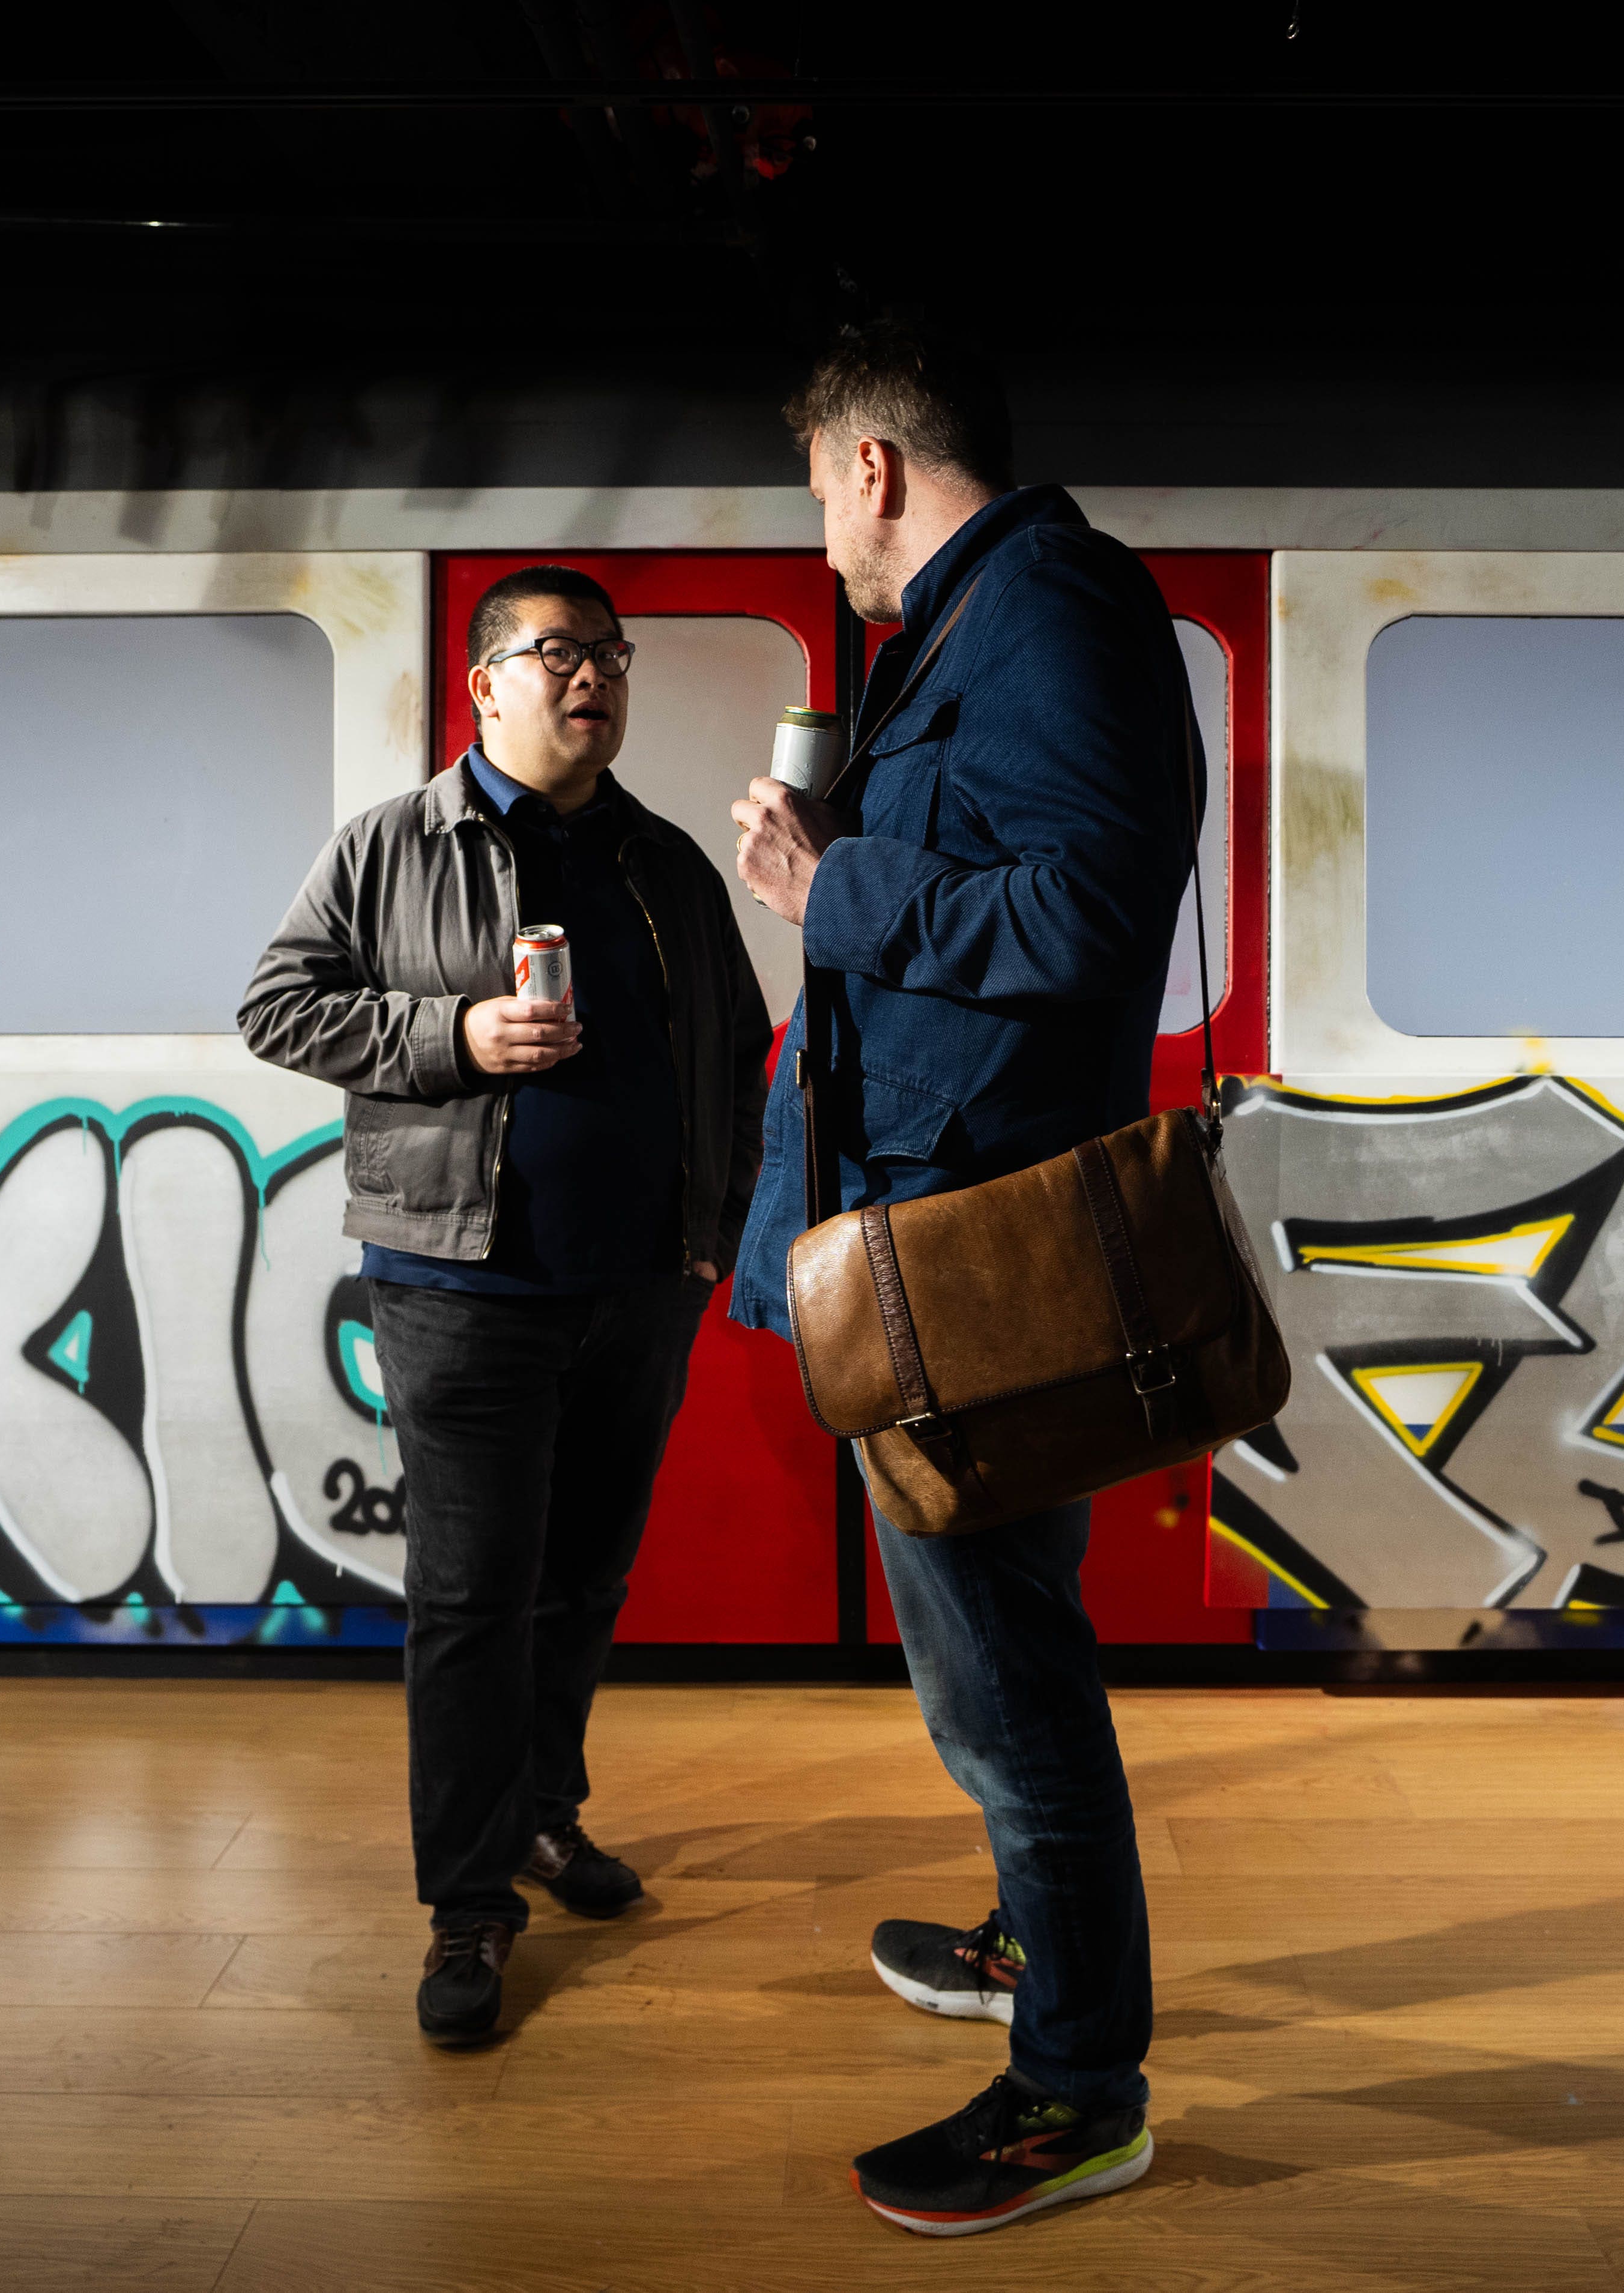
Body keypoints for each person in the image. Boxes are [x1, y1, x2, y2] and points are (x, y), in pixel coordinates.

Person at [728, 320, 1198, 2234]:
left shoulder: (1051, 611)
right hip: (937, 1228)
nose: (822, 535)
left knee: (1009, 1684)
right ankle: (1035, 1944)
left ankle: (1080, 2086)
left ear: (870, 465)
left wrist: (830, 887)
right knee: (1010, 1641)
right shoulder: (989, 625)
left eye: (816, 490)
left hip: (967, 1254)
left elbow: (1092, 912)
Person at [240, 564, 769, 2046]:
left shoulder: (665, 863)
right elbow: (277, 1004)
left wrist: (710, 1235)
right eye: (557, 653)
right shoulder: (391, 846)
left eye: (610, 654)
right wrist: (453, 1033)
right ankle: (468, 1904)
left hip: (637, 1290)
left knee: (584, 1580)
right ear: (483, 685)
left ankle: (544, 1813)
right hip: (457, 1287)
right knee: (472, 1604)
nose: (591, 675)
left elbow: (738, 1049)